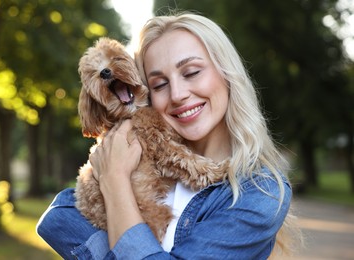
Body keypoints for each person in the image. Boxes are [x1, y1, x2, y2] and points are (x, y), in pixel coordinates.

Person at [37, 12, 301, 259]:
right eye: (159, 84)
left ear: (227, 74)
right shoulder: (141, 156)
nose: (177, 94)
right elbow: (57, 217)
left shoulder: (260, 193)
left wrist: (115, 182)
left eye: (192, 72)